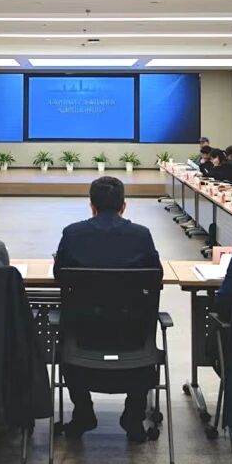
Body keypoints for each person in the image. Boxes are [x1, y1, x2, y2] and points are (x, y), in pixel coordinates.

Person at [53, 177, 162, 443]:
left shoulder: (73, 233)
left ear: (91, 206)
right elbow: (156, 275)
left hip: (82, 337)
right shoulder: (141, 235)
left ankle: (83, 413)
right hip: (133, 338)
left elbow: (59, 274)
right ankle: (133, 416)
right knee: (140, 331)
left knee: (63, 331)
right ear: (124, 206)